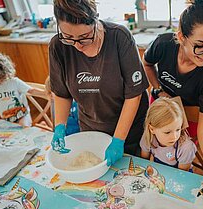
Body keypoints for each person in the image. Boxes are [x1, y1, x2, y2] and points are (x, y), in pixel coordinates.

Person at [143, 0, 203, 188]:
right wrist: (159, 90)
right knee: (152, 144)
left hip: (191, 118)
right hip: (162, 103)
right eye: (200, 45)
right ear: (181, 37)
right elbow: (147, 64)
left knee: (178, 152)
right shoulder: (163, 44)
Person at [49, 0, 149, 166]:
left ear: (95, 21)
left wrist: (118, 140)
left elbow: (134, 95)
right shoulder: (57, 47)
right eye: (68, 38)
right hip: (92, 129)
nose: (77, 46)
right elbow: (62, 93)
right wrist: (60, 126)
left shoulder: (119, 38)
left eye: (84, 37)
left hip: (130, 131)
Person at [0, 52, 45, 127]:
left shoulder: (14, 82)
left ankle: (39, 125)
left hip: (22, 116)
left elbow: (31, 90)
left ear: (5, 71)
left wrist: (45, 93)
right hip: (5, 118)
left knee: (21, 130)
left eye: (0, 77)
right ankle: (41, 125)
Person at [140, 98, 197, 171]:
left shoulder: (186, 148)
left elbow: (181, 175)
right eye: (167, 132)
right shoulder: (148, 138)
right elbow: (143, 163)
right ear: (152, 129)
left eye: (178, 129)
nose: (174, 137)